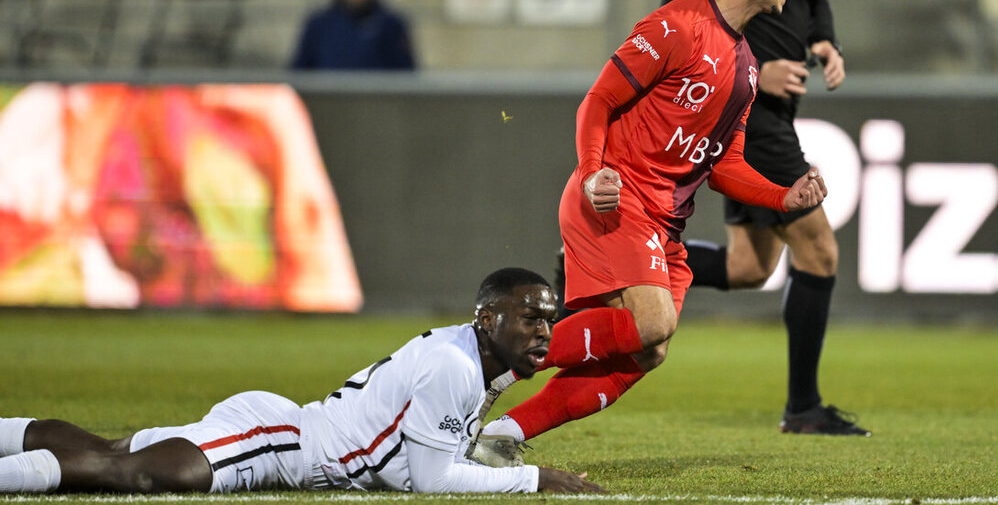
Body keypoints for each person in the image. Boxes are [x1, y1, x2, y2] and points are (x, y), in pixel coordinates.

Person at [474, 0, 828, 464]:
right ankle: (481, 353)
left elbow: (725, 168)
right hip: (618, 200)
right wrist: (593, 173)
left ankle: (502, 438)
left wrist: (785, 197)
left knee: (649, 350)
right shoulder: (677, 25)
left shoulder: (747, 65)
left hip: (666, 224)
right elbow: (598, 101)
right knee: (652, 321)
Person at [0, 268, 603, 496]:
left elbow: (420, 455)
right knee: (140, 474)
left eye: (549, 320)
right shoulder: (456, 364)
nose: (544, 333)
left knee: (114, 451)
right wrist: (534, 478)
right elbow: (431, 480)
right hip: (282, 441)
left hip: (286, 430)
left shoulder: (475, 357)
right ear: (488, 318)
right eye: (532, 319)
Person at [661, 0, 866, 436]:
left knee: (752, 268)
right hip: (749, 114)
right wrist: (749, 67)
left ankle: (639, 253)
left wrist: (823, 40)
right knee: (821, 251)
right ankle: (802, 408)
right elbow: (676, 18)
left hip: (775, 113)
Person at [290, 0, 415, 71]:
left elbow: (405, 70)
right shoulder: (319, 24)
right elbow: (300, 69)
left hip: (377, 95)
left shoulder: (391, 24)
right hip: (330, 94)